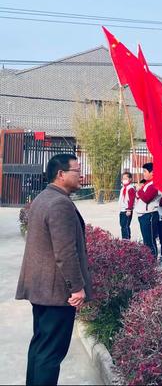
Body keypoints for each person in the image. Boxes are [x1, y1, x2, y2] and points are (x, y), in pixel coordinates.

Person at [16, 154, 92, 386]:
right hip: (56, 293)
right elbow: (65, 251)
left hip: (41, 288)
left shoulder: (43, 197)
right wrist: (77, 288)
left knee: (40, 347)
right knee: (50, 353)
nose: (81, 176)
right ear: (61, 174)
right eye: (77, 171)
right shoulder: (60, 203)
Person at [135, 163, 160, 258]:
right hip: (143, 214)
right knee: (146, 239)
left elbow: (147, 198)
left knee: (150, 239)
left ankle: (153, 260)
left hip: (149, 215)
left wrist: (139, 190)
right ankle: (148, 259)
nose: (143, 174)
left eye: (145, 171)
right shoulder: (146, 183)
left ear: (152, 173)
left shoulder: (154, 184)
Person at [118, 171, 136, 240]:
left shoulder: (130, 188)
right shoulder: (123, 188)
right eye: (123, 178)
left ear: (130, 179)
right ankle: (125, 239)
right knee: (123, 225)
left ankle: (126, 240)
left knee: (125, 226)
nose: (124, 180)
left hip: (127, 210)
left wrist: (129, 209)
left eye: (126, 178)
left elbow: (131, 200)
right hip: (122, 209)